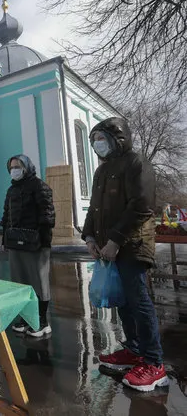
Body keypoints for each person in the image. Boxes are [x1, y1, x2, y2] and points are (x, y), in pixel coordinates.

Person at [82, 117, 167, 392]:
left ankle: (154, 363)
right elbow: (94, 208)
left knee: (138, 300)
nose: (97, 144)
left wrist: (116, 240)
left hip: (132, 245)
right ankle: (133, 350)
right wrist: (90, 236)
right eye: (94, 139)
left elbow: (142, 206)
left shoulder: (136, 163)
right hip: (109, 247)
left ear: (117, 138)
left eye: (101, 138)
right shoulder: (102, 171)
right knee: (123, 302)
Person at [1, 154, 55, 338]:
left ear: (27, 167)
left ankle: (42, 322)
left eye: (18, 166)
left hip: (36, 243)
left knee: (38, 282)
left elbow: (47, 216)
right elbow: (6, 216)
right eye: (12, 167)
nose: (14, 170)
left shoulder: (39, 187)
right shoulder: (11, 190)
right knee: (21, 283)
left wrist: (45, 242)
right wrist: (4, 240)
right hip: (15, 242)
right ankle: (27, 319)